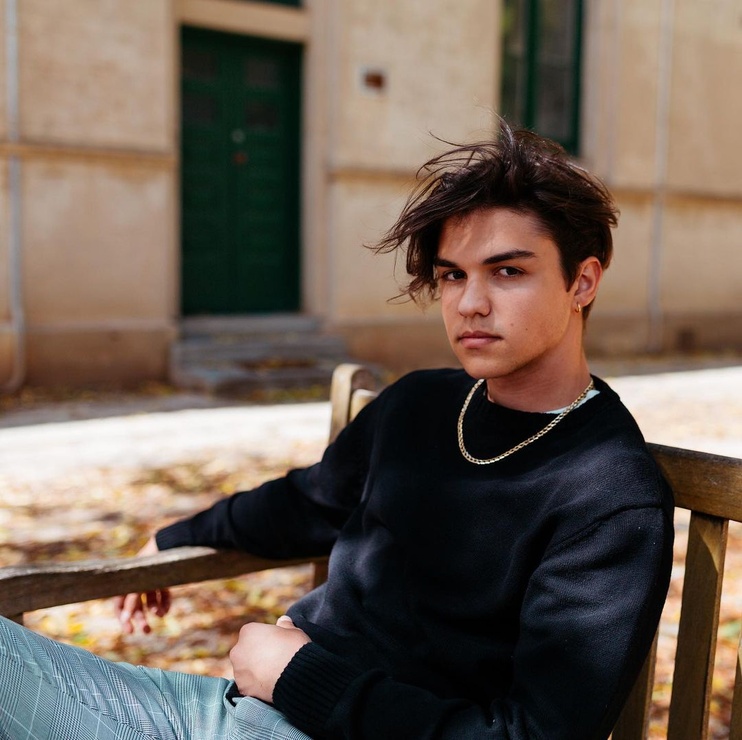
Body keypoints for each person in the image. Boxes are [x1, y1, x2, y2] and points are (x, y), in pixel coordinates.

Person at [0, 120, 673, 740]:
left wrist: (298, 677)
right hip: (230, 709)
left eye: (508, 271)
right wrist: (172, 539)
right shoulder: (421, 404)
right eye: (452, 276)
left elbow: (534, 734)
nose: (470, 303)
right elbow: (306, 501)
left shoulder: (609, 496)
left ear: (582, 281)